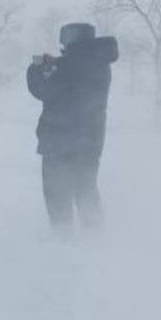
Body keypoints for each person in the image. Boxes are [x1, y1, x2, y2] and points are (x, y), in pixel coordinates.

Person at [27, 22, 119, 233]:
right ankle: (95, 236)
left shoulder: (71, 65)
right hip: (90, 142)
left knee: (56, 193)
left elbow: (45, 90)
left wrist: (36, 69)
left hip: (60, 141)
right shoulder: (99, 63)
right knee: (86, 190)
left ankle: (63, 239)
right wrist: (57, 64)